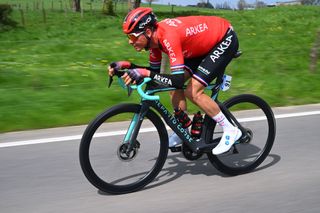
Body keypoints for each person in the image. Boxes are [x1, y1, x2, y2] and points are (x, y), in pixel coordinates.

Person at [108, 7, 242, 155]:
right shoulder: (154, 43)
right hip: (200, 47)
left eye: (132, 37)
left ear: (147, 32)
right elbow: (155, 74)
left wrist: (144, 72)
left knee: (193, 91)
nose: (130, 42)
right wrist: (128, 67)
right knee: (170, 87)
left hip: (223, 39)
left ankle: (230, 129)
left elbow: (176, 80)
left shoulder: (168, 37)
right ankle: (182, 131)